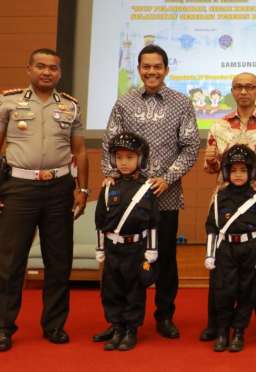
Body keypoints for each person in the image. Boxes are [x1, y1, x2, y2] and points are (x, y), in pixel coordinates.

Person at [0, 48, 89, 352]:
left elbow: (80, 150)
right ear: (29, 70)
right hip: (19, 188)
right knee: (10, 262)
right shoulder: (8, 102)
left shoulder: (70, 106)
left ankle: (54, 325)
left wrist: (82, 189)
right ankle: (2, 329)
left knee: (59, 261)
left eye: (53, 68)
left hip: (59, 189)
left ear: (60, 73)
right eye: (41, 66)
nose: (47, 72)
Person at [96, 45, 199, 342]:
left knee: (164, 258)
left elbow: (191, 146)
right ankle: (119, 320)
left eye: (157, 66)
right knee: (121, 261)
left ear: (166, 69)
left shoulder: (181, 103)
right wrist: (111, 175)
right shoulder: (124, 102)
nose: (151, 71)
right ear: (139, 69)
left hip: (164, 196)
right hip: (126, 198)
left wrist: (167, 178)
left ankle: (164, 316)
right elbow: (109, 144)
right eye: (146, 66)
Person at [200, 72, 256, 342]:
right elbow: (211, 169)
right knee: (220, 269)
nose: (243, 91)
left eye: (249, 86)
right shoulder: (218, 126)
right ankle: (216, 323)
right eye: (238, 87)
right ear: (232, 91)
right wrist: (211, 162)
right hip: (225, 205)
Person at [95, 132, 159, 351]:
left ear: (140, 159)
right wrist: (100, 249)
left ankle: (131, 329)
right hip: (113, 248)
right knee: (112, 289)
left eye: (130, 157)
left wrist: (151, 250)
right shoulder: (108, 187)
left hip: (137, 248)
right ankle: (116, 326)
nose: (124, 162)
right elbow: (100, 222)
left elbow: (153, 223)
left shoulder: (147, 188)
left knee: (134, 289)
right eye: (119, 157)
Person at [204, 144, 256, 353]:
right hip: (226, 251)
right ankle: (223, 330)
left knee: (247, 292)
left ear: (251, 172)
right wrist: (210, 255)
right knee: (224, 292)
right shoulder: (219, 197)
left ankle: (239, 331)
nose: (238, 175)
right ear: (226, 172)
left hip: (250, 249)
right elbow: (212, 227)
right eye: (233, 170)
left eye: (243, 170)